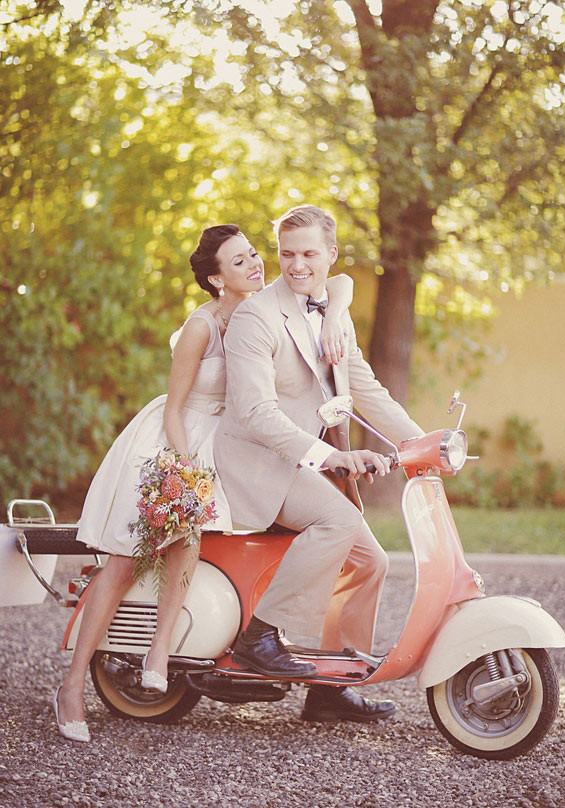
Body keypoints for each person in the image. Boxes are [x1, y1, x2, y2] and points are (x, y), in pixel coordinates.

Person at [53, 223, 354, 742]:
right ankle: (73, 686)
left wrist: (341, 309)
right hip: (176, 440)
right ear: (217, 280)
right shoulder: (202, 326)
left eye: (255, 255)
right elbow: (174, 407)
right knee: (129, 557)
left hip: (227, 446)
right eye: (239, 262)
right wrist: (182, 469)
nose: (256, 265)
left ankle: (160, 651)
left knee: (190, 545)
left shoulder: (267, 310)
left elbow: (339, 282)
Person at [213, 205, 424, 723]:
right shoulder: (255, 317)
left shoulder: (333, 313)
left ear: (331, 254)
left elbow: (368, 391)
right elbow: (255, 413)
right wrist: (334, 455)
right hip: (258, 462)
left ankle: (330, 691)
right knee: (340, 519)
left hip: (304, 463)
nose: (297, 265)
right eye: (287, 254)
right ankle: (258, 637)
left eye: (309, 253)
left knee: (371, 561)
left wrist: (426, 442)